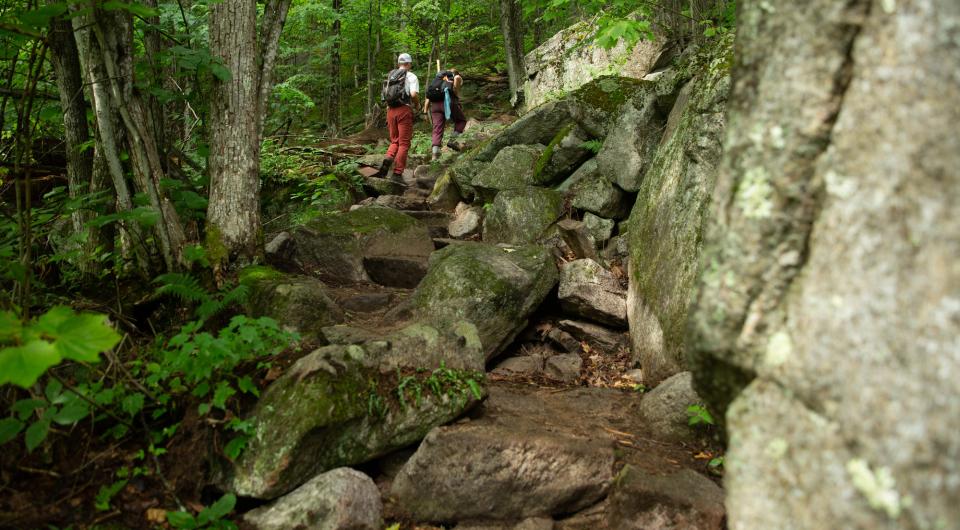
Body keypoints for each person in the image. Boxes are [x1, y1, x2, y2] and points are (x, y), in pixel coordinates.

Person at [376, 53, 420, 181]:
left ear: (399, 63)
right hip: (403, 110)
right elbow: (413, 94)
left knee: (395, 140)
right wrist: (417, 105)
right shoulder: (411, 76)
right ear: (409, 64)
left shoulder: (391, 75)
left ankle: (388, 158)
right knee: (404, 143)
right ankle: (397, 173)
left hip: (390, 110)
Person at [425, 69, 466, 161]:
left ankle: (435, 154)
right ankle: (452, 141)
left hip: (435, 106)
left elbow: (427, 98)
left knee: (437, 128)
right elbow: (455, 90)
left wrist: (425, 111)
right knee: (461, 120)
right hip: (447, 102)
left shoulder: (437, 80)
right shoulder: (455, 77)